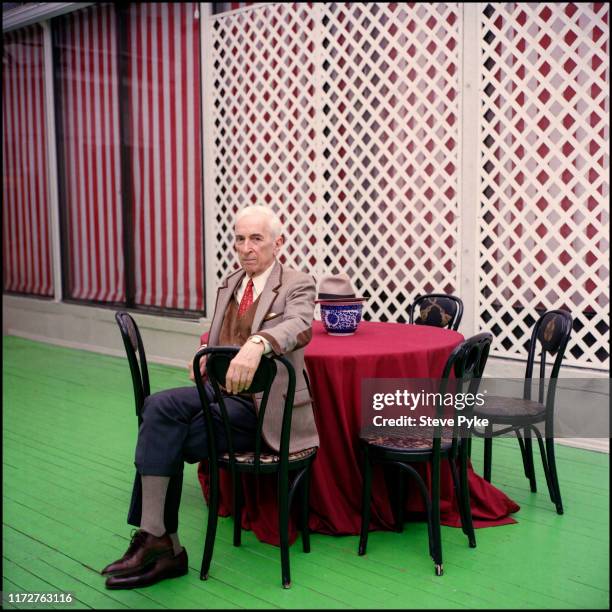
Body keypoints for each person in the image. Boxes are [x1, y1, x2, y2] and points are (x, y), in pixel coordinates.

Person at [101, 205, 318, 589]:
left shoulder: (297, 283)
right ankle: (157, 538)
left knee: (161, 432)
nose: (246, 247)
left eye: (256, 239)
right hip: (219, 395)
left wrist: (259, 343)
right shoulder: (231, 282)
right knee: (157, 407)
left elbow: (299, 326)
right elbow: (216, 338)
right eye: (239, 238)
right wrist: (204, 359)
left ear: (277, 243)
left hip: (263, 410)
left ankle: (163, 546)